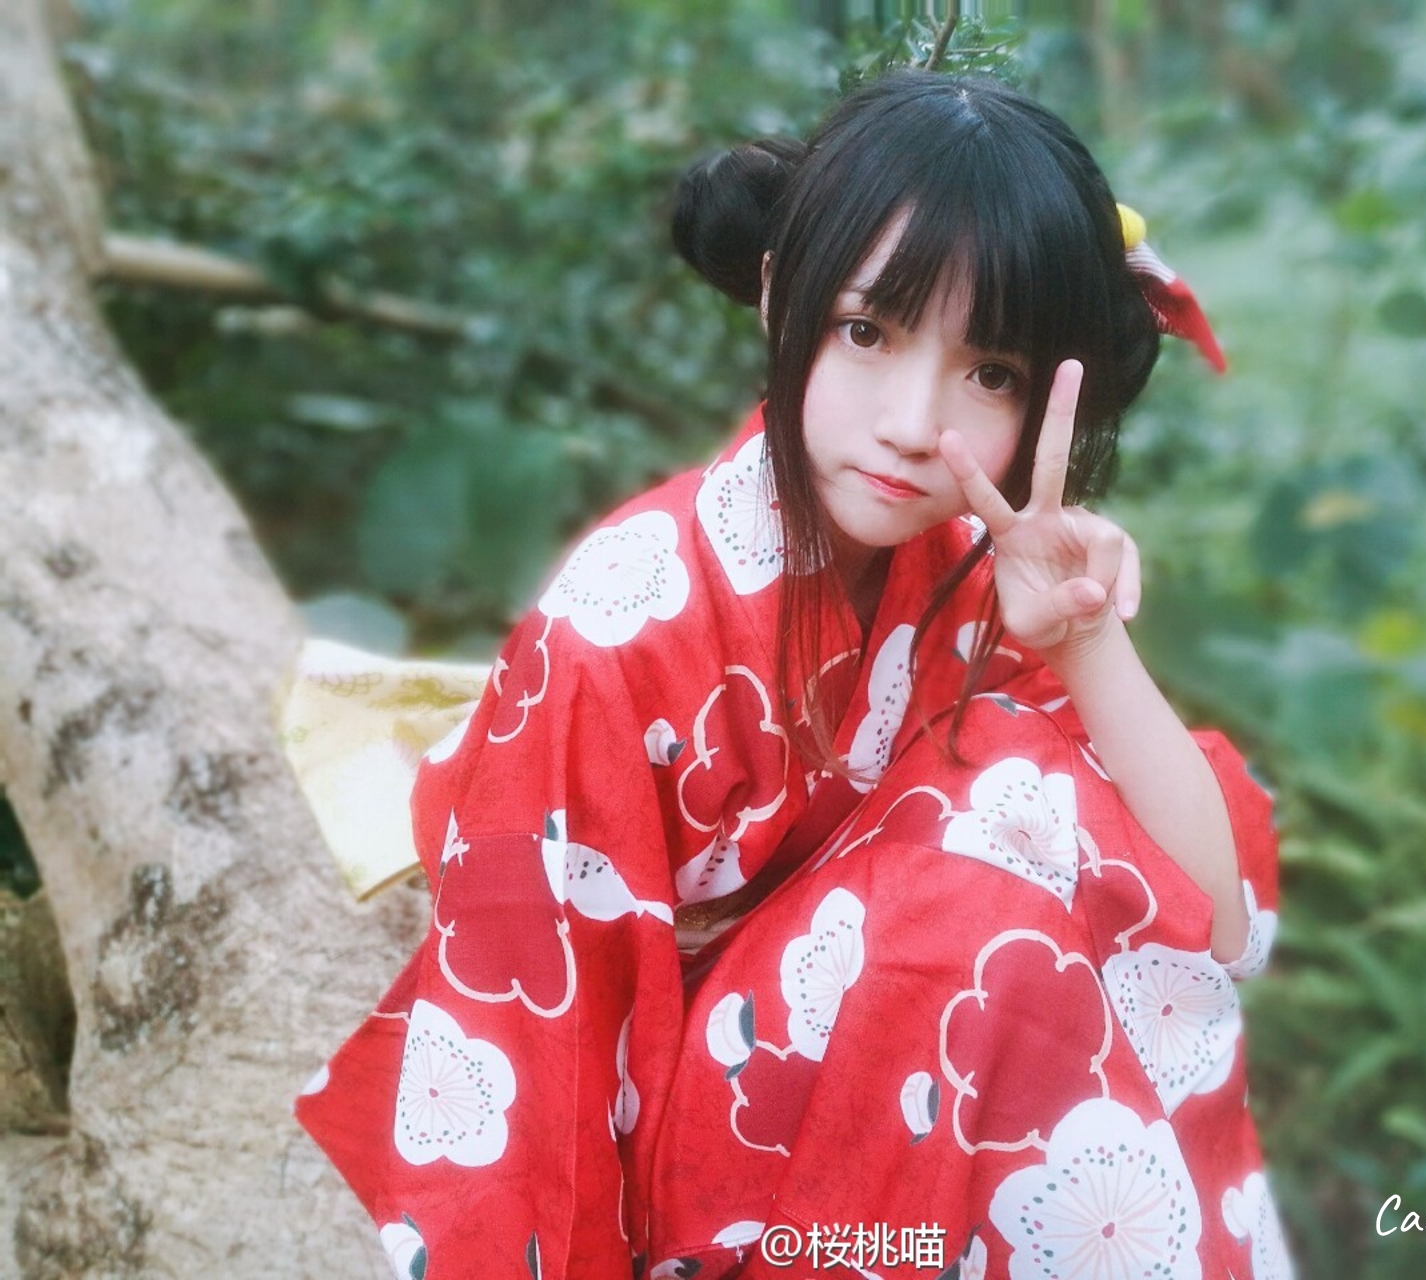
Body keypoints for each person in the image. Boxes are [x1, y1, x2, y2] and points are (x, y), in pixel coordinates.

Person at [297, 68, 1292, 1280]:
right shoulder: (617, 633)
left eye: (990, 372)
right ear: (781, 295)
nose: (912, 422)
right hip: (699, 1151)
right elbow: (528, 1029)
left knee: (1023, 804)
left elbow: (1207, 924)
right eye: (866, 331)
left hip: (888, 1112)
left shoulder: (966, 568)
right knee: (970, 906)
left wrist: (1086, 642)